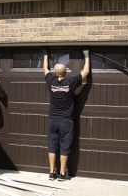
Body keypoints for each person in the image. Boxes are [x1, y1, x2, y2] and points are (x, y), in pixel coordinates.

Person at [43, 49, 90, 181]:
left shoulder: (51, 81)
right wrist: (86, 55)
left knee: (52, 145)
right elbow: (85, 72)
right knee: (65, 146)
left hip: (53, 119)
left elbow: (45, 70)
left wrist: (46, 55)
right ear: (65, 72)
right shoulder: (70, 82)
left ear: (55, 72)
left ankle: (52, 172)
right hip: (66, 121)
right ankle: (62, 173)